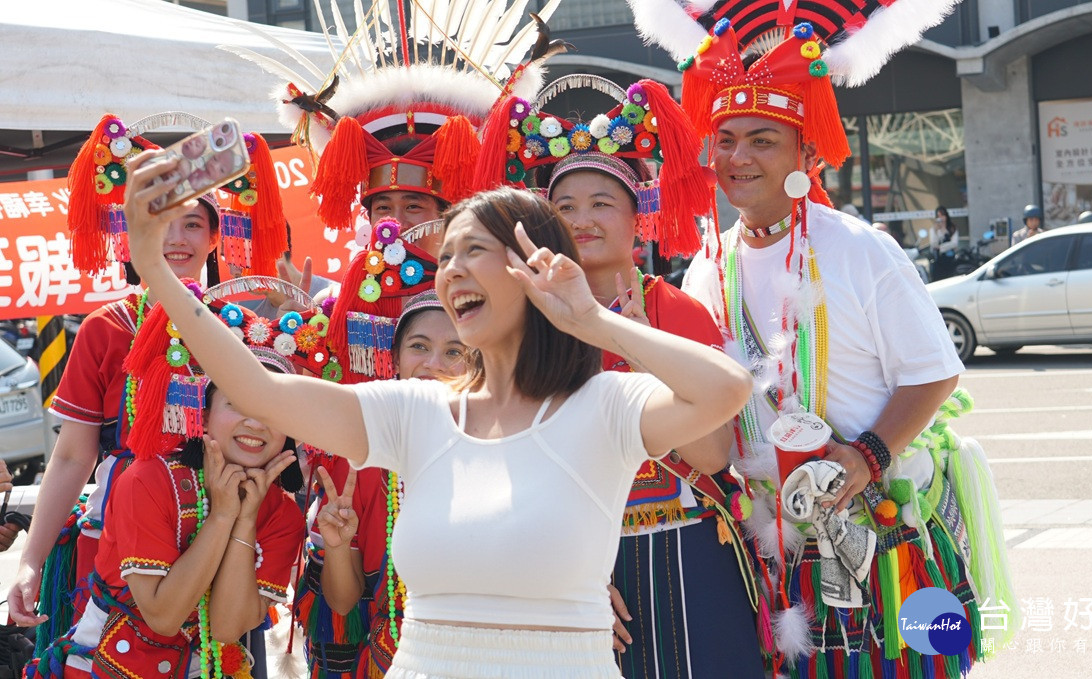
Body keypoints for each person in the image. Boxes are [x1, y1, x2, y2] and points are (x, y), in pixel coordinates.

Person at [125, 132, 752, 679]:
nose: (449, 271)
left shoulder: (606, 406)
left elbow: (725, 390)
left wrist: (591, 318)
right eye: (445, 256)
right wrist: (155, 267)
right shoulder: (417, 411)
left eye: (472, 251)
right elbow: (263, 393)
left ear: (532, 266)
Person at [637, 4, 1014, 676]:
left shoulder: (860, 249)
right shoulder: (705, 266)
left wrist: (866, 456)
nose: (738, 157)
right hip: (769, 545)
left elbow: (933, 373)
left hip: (877, 524)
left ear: (805, 151)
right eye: (725, 138)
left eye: (762, 139)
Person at [478, 75, 761, 676]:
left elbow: (711, 455)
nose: (582, 220)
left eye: (601, 203)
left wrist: (638, 356)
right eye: (565, 207)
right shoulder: (524, 327)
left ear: (642, 214)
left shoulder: (676, 312)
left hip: (686, 545)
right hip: (566, 556)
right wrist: (564, 577)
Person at [7, 113, 287, 651]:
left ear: (216, 237)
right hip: (120, 541)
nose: (176, 239)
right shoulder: (105, 329)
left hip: (222, 537)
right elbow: (71, 457)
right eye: (160, 221)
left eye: (193, 224)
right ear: (132, 230)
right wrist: (31, 560)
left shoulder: (245, 333)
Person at [27, 312, 307, 679]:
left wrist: (244, 517)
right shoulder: (147, 481)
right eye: (237, 402)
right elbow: (163, 616)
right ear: (203, 415)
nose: (255, 423)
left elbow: (226, 627)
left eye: (271, 407)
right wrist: (223, 516)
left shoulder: (281, 514)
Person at [303, 290, 468, 679]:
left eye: (454, 352)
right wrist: (339, 546)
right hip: (390, 657)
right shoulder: (362, 457)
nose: (433, 364)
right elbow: (343, 603)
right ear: (394, 359)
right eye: (419, 346)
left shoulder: (497, 447)